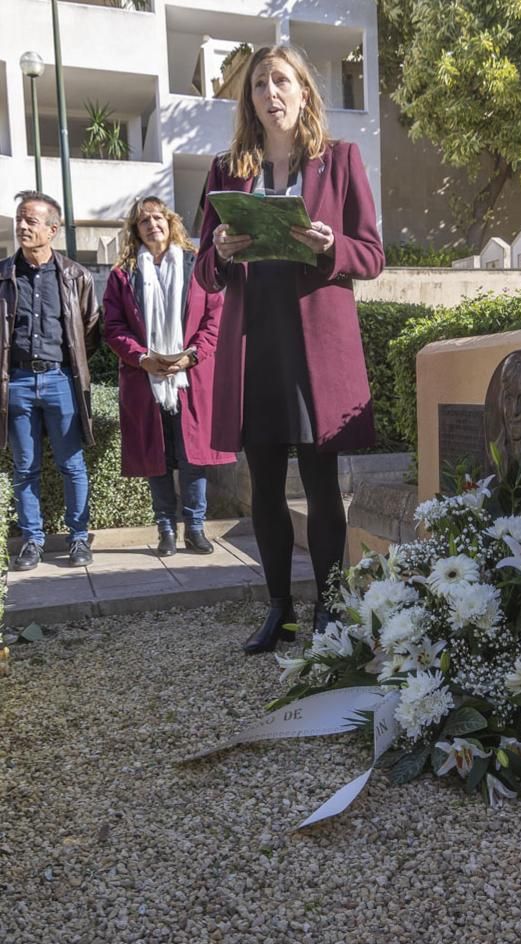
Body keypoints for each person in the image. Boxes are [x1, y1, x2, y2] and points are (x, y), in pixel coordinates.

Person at [196, 44, 385, 654]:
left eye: (281, 81)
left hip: (315, 353)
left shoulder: (341, 160)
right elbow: (203, 270)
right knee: (266, 491)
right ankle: (281, 610)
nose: (270, 93)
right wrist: (218, 253)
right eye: (258, 85)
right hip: (254, 353)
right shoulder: (227, 170)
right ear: (248, 99)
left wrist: (332, 245)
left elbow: (373, 256)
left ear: (304, 90)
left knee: (323, 489)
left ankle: (330, 608)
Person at [103, 197, 235, 556]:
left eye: (157, 218)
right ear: (136, 229)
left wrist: (192, 356)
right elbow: (113, 327)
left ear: (170, 222)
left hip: (189, 378)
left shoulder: (198, 267)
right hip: (145, 380)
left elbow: (214, 319)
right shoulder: (123, 274)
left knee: (193, 458)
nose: (152, 225)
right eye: (143, 221)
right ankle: (165, 530)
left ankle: (194, 528)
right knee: (156, 458)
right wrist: (142, 358)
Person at [0, 190, 99, 571]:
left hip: (60, 380)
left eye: (31, 220)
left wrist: (69, 366)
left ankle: (78, 538)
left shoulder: (76, 275)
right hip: (17, 382)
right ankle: (32, 541)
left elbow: (89, 330)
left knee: (72, 463)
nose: (22, 226)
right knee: (25, 467)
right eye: (19, 219)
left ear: (53, 229)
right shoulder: (4, 275)